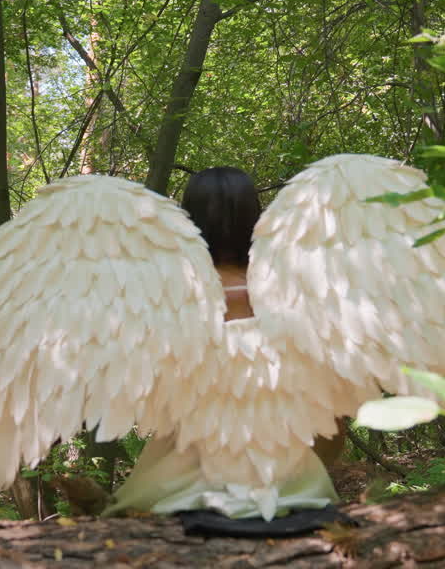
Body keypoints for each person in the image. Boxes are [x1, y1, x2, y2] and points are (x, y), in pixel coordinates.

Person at [103, 167, 343, 519]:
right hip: (284, 466)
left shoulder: (170, 288)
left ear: (190, 217)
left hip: (185, 462)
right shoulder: (286, 284)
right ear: (252, 215)